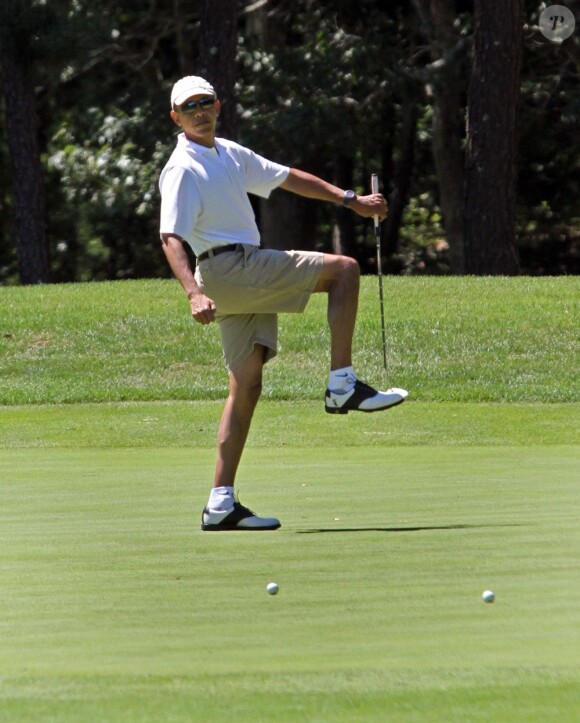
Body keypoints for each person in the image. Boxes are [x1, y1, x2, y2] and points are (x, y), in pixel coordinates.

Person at [159, 76, 408, 532]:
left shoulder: (230, 153)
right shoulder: (182, 168)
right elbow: (170, 236)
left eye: (206, 102)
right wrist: (193, 294)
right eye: (189, 106)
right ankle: (342, 385)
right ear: (175, 116)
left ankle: (220, 502)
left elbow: (288, 177)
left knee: (246, 387)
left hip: (238, 276)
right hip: (228, 270)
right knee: (345, 271)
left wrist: (349, 199)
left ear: (219, 105)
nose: (200, 111)